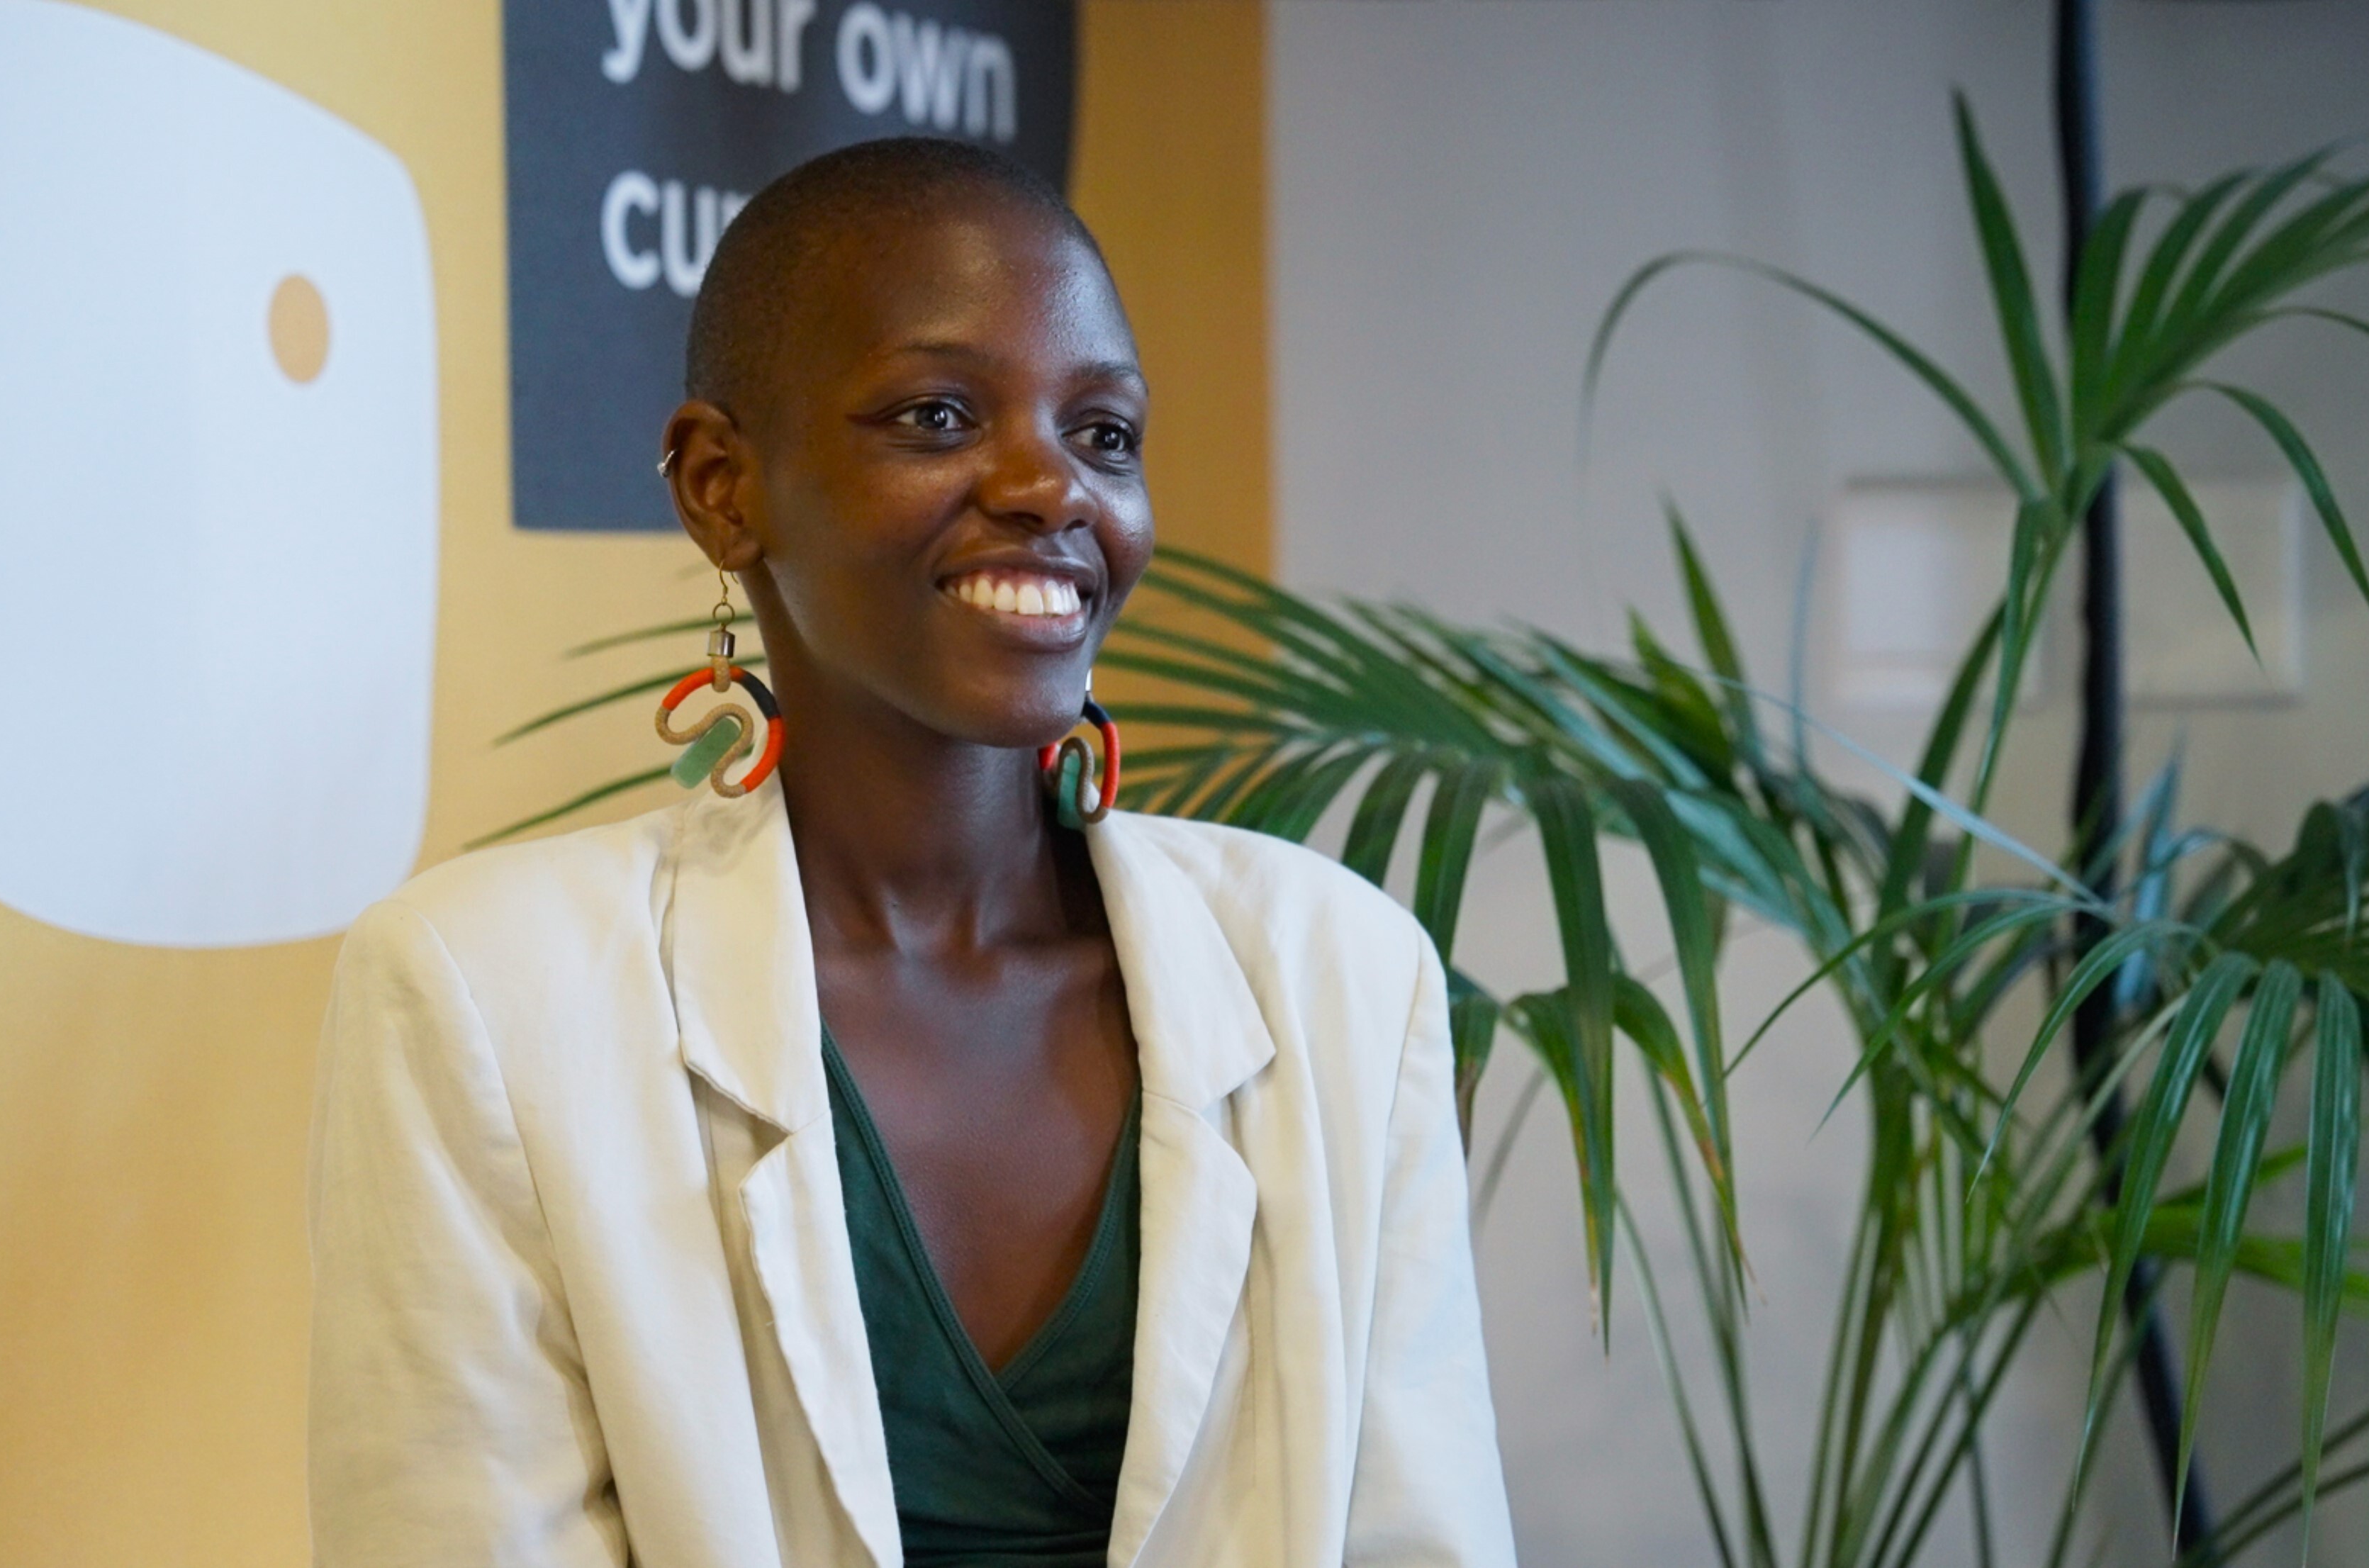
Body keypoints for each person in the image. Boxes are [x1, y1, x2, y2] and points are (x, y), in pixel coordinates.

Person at [306, 138, 1515, 1568]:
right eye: (938, 415)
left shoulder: (1339, 973)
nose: (1048, 485)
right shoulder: (484, 991)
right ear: (721, 488)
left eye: (1103, 433)